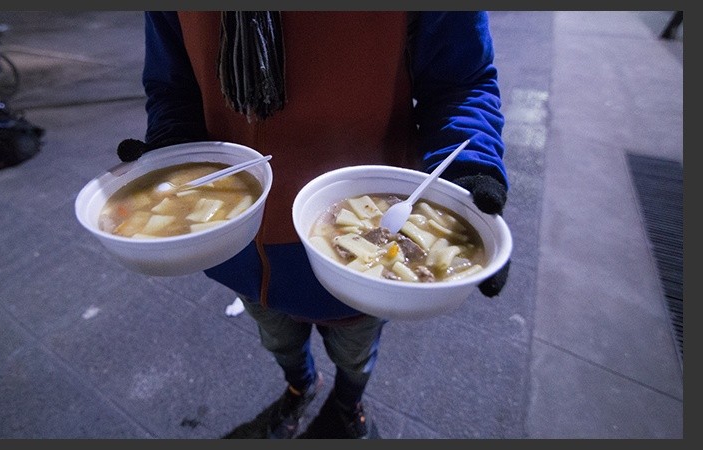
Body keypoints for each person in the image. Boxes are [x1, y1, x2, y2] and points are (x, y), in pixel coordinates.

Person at [120, 11, 510, 439]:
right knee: (277, 339)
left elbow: (461, 81)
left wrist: (469, 174)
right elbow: (173, 84)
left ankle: (348, 400)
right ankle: (300, 385)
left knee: (355, 350)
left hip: (369, 241)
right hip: (237, 245)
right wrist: (172, 147)